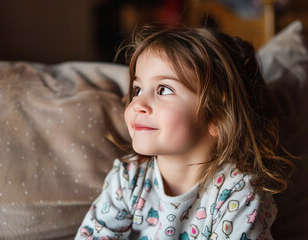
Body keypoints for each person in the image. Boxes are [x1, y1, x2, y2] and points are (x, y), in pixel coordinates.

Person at [75, 24, 294, 239]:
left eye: (164, 89)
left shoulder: (239, 195)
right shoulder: (128, 180)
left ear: (218, 117)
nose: (138, 103)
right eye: (137, 89)